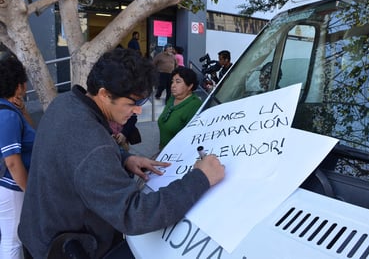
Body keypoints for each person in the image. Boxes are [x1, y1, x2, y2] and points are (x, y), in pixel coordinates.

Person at [18, 48, 225, 258]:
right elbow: (135, 214)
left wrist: (125, 158)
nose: (138, 111)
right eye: (132, 103)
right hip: (62, 249)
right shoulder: (94, 147)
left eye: (142, 103)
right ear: (104, 95)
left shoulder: (64, 103)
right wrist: (201, 178)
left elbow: (76, 152)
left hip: (37, 233)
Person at [0, 55, 35, 259]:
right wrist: (29, 190)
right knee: (12, 241)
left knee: (12, 239)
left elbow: (31, 132)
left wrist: (23, 109)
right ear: (18, 85)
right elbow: (12, 162)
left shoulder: (12, 110)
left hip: (10, 186)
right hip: (11, 188)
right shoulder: (8, 115)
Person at [158, 67, 202, 149]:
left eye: (178, 82)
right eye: (172, 82)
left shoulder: (194, 105)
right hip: (163, 150)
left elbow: (191, 138)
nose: (172, 85)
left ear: (190, 86)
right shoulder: (172, 98)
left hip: (178, 154)